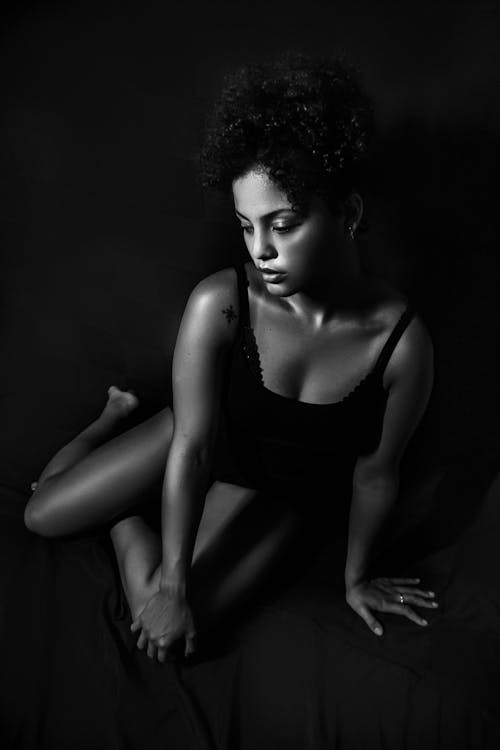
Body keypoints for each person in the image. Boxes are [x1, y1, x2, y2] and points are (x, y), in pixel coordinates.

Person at [24, 52, 437, 668]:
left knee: (174, 636)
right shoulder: (221, 303)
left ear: (346, 215)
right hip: (197, 441)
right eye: (247, 227)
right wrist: (172, 583)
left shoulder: (402, 345)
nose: (261, 250)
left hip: (280, 496)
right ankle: (109, 423)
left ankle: (119, 514)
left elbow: (376, 475)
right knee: (40, 515)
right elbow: (190, 447)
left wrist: (356, 580)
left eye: (283, 224)